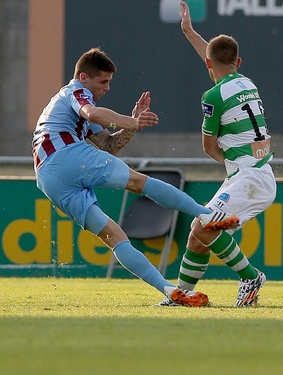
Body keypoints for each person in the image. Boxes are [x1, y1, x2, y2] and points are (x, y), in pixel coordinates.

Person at [33, 48, 239, 307]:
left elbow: (108, 145)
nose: (107, 88)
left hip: (48, 178)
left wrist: (130, 124)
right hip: (64, 155)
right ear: (84, 77)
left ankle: (170, 291)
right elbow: (92, 113)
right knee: (137, 182)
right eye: (103, 81)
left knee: (114, 237)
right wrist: (131, 121)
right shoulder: (75, 91)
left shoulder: (67, 106)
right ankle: (205, 214)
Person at [155, 1, 277, 307]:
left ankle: (250, 277)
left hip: (249, 177)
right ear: (239, 61)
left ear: (208, 64)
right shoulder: (247, 83)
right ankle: (184, 295)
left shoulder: (212, 96)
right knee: (199, 235)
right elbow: (216, 61)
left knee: (202, 225)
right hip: (255, 175)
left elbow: (208, 147)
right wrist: (190, 32)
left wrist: (230, 159)